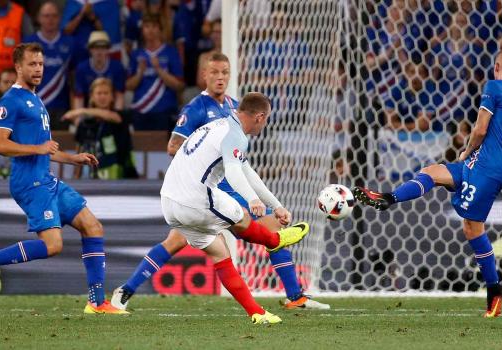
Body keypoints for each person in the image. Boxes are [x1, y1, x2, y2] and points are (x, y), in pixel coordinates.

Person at [112, 53, 329, 310]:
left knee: (274, 230)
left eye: (224, 72)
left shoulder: (236, 107)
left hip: (229, 189)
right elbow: (173, 147)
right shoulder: (196, 108)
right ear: (204, 75)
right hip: (204, 193)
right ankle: (126, 290)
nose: (220, 77)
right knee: (176, 242)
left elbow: (241, 163)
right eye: (214, 72)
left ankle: (296, 296)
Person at [353, 49, 502, 318]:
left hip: (484, 165)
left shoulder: (495, 86)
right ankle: (388, 198)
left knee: (473, 229)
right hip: (491, 166)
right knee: (432, 172)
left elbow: (481, 129)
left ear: (497, 66)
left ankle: (494, 290)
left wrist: (467, 151)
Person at [0, 43, 126, 314]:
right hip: (29, 183)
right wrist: (38, 149)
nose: (38, 69)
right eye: (32, 64)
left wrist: (73, 158)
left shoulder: (36, 100)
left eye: (40, 64)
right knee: (53, 246)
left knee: (93, 226)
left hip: (46, 179)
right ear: (18, 67)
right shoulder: (11, 101)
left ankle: (97, 303)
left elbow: (46, 149)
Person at [62, 78, 137, 180]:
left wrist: (81, 111)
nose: (102, 97)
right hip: (91, 177)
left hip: (121, 177)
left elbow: (112, 117)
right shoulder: (84, 124)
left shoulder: (121, 115)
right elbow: (79, 151)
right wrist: (76, 177)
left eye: (106, 93)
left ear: (112, 97)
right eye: (99, 93)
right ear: (92, 96)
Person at [24, 1, 76, 130]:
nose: (50, 19)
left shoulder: (71, 43)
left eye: (54, 16)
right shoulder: (28, 44)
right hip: (34, 108)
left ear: (59, 18)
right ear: (38, 18)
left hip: (62, 107)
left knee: (60, 146)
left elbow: (74, 79)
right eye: (46, 16)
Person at [127, 14, 184, 131]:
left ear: (160, 29)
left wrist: (159, 69)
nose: (150, 30)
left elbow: (179, 86)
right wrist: (140, 72)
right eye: (146, 26)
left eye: (154, 26)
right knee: (140, 147)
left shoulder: (171, 52)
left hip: (165, 111)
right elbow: (128, 86)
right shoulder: (136, 54)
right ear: (142, 30)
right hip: (140, 110)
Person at [74, 31, 125, 110]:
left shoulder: (117, 67)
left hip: (111, 110)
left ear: (108, 49)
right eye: (96, 48)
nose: (99, 51)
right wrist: (79, 120)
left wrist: (117, 117)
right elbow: (79, 97)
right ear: (90, 49)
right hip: (88, 110)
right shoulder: (82, 68)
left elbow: (119, 96)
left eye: (103, 48)